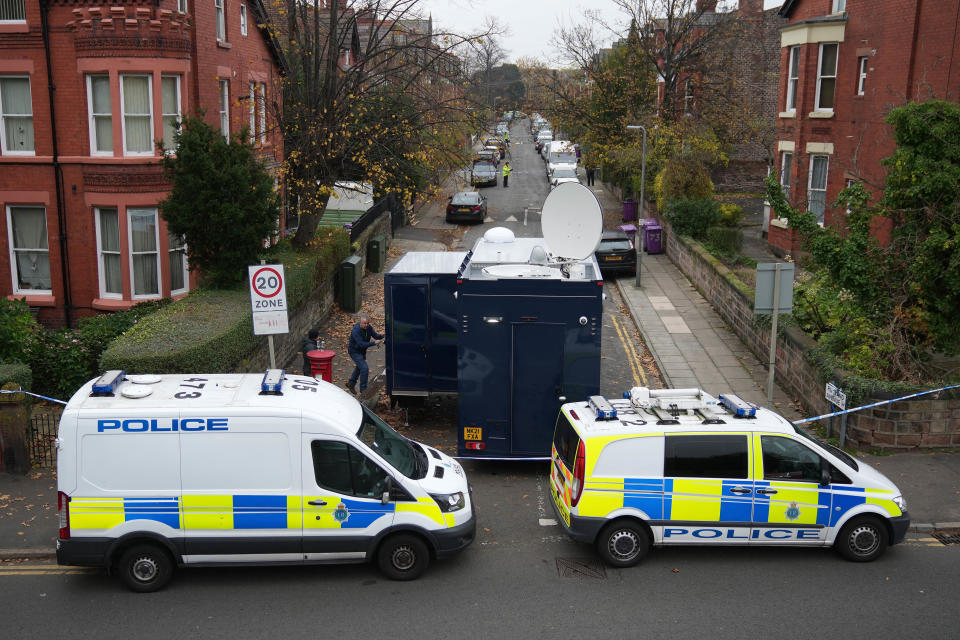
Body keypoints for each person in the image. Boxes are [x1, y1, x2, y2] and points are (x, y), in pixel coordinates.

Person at [346, 313, 383, 394]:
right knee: (364, 368)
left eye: (367, 323)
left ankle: (351, 383)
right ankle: (363, 390)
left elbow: (375, 335)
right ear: (360, 323)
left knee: (359, 367)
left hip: (362, 351)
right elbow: (361, 344)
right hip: (354, 351)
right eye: (364, 323)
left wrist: (382, 335)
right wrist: (374, 343)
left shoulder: (369, 328)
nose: (366, 325)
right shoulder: (356, 331)